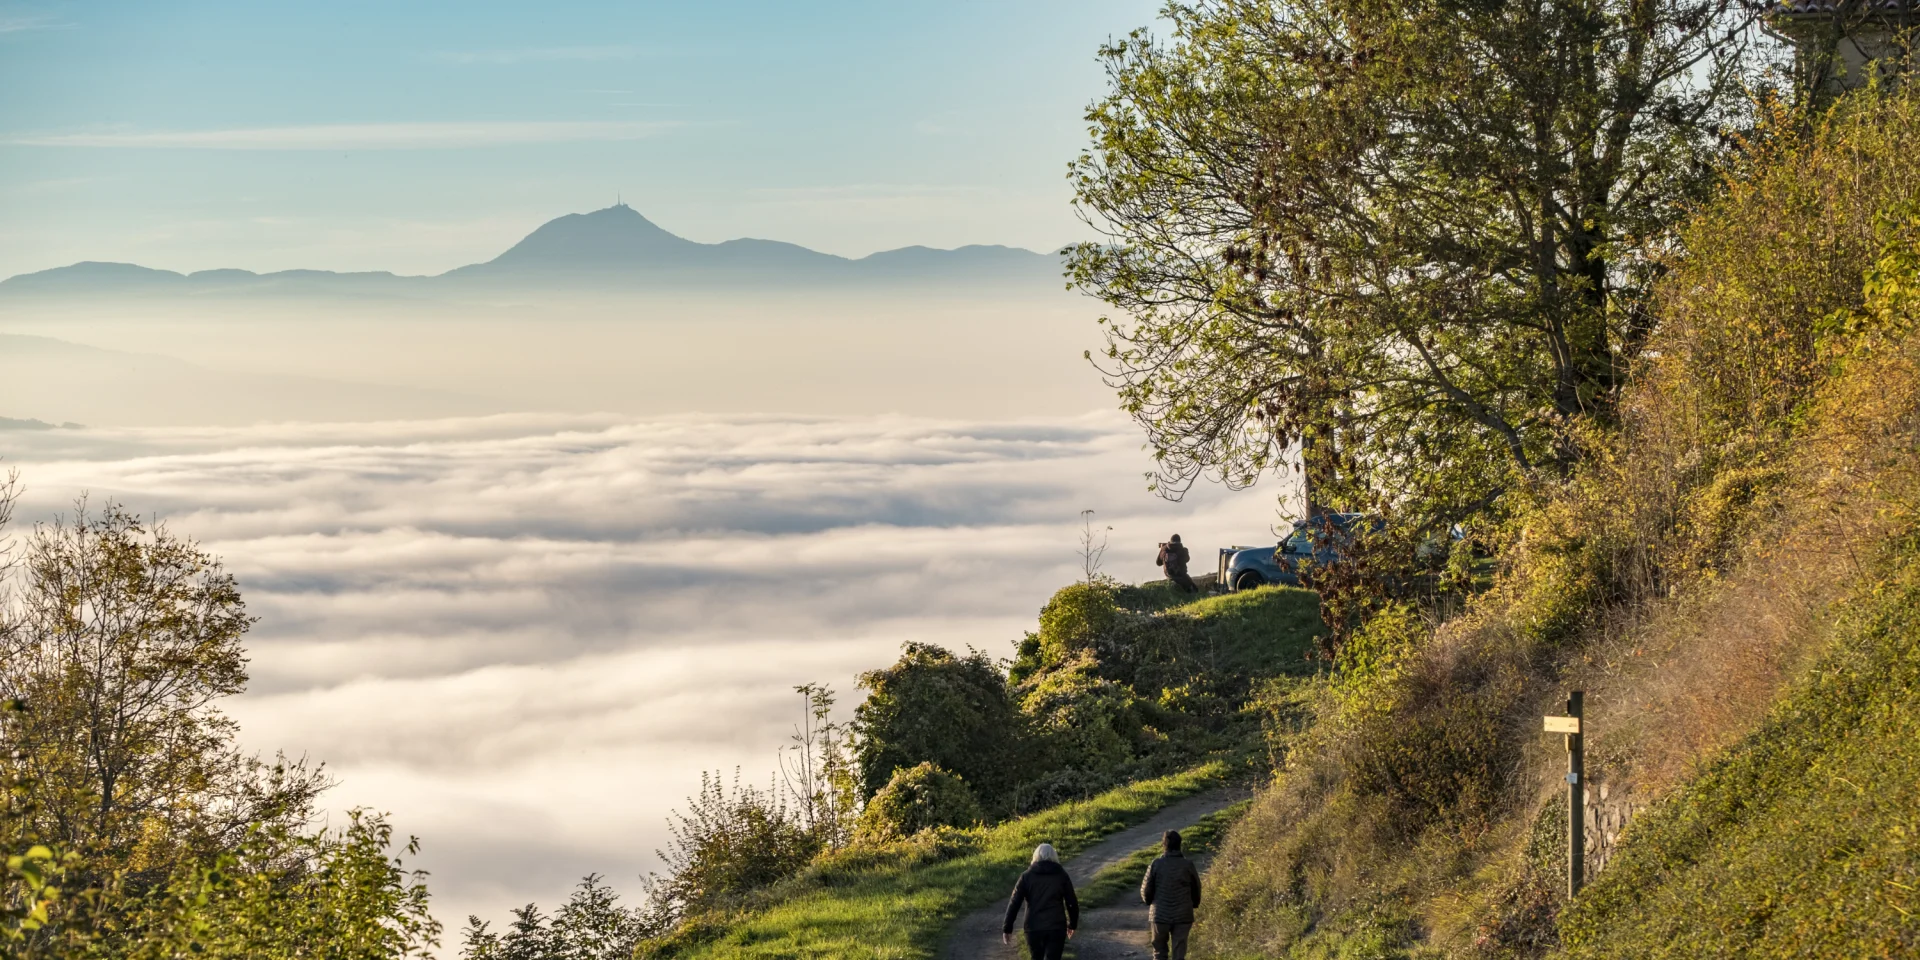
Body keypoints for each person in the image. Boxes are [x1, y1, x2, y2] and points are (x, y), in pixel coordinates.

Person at [1002, 842, 1078, 960]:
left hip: (1033, 927)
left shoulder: (1026, 877)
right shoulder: (1061, 875)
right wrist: (1072, 924)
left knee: (1036, 957)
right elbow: (1071, 901)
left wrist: (1007, 928)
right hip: (1056, 926)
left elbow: (1014, 903)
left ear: (1035, 856)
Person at [1140, 829, 1202, 960]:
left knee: (1159, 951)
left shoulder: (1156, 864)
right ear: (1180, 845)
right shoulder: (1188, 865)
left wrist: (1149, 901)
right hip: (1183, 914)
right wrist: (1194, 903)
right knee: (1179, 952)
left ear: (1164, 845)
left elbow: (1146, 889)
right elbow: (1196, 888)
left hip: (1160, 914)